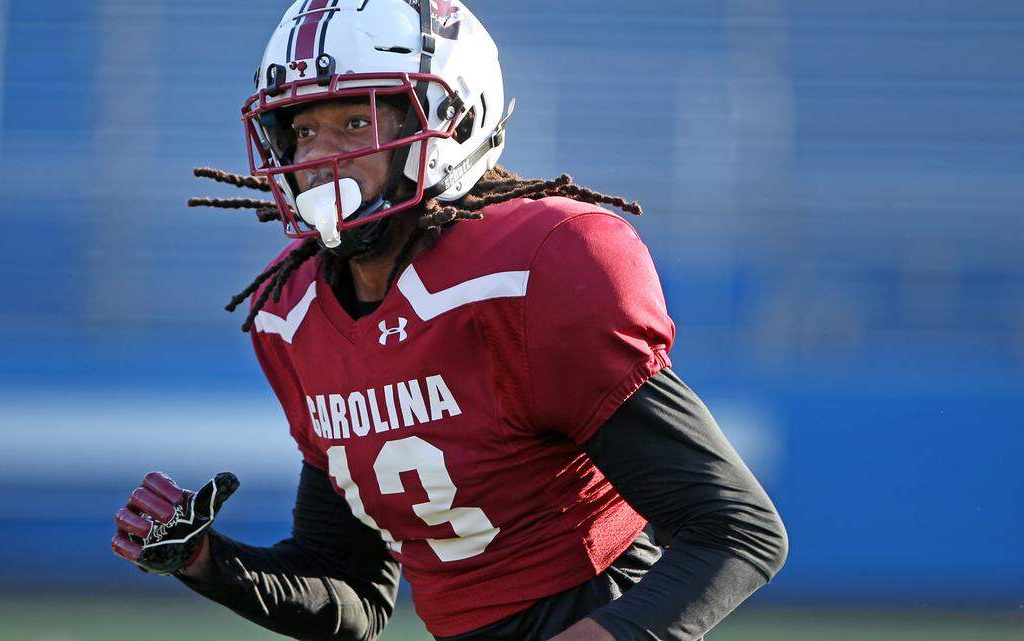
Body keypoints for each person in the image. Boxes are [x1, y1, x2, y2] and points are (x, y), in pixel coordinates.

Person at [111, 2, 788, 640]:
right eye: (303, 129)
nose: (320, 159)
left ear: (451, 119)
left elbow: (736, 529)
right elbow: (354, 593)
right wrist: (208, 560)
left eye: (356, 124)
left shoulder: (536, 269)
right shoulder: (295, 315)